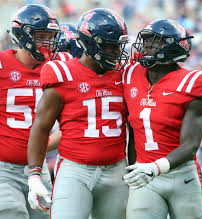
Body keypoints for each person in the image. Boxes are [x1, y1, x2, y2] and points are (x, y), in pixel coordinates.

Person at [27, 8, 130, 219]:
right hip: (75, 170)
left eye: (118, 46)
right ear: (89, 43)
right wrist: (34, 174)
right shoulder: (62, 73)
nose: (116, 52)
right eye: (109, 46)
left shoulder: (125, 72)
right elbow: (41, 126)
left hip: (117, 169)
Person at [122, 19, 202, 219]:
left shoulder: (194, 82)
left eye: (154, 42)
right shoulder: (130, 74)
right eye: (145, 41)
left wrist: (155, 167)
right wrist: (134, 171)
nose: (145, 47)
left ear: (172, 48)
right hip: (143, 175)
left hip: (181, 176)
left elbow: (190, 145)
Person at [0, 4, 72, 219]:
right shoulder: (2, 64)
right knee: (12, 212)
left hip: (38, 168)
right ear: (23, 35)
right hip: (4, 169)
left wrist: (41, 146)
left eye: (50, 36)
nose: (48, 42)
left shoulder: (61, 66)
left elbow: (76, 122)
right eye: (41, 35)